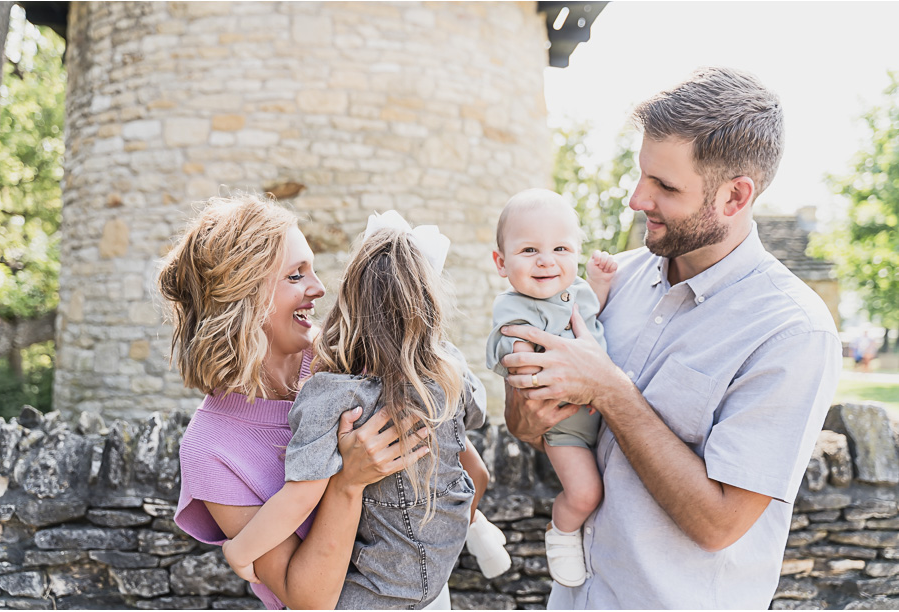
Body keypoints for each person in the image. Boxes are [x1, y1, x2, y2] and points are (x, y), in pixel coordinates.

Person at [500, 67, 842, 609]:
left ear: (735, 197)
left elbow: (719, 523)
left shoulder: (792, 331)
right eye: (642, 175)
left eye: (665, 185)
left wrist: (609, 389)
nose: (637, 199)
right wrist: (528, 401)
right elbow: (523, 426)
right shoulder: (617, 279)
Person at [160, 195, 442, 610]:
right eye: (295, 276)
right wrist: (347, 484)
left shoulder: (345, 356)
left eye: (311, 269)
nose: (320, 288)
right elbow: (309, 601)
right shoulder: (210, 449)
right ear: (242, 295)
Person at [219, 209, 497, 609]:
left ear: (349, 303)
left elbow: (302, 494)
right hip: (441, 561)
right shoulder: (449, 369)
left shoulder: (333, 395)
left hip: (379, 582)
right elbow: (475, 422)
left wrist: (240, 551)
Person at [485, 188, 616, 587]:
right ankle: (561, 533)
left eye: (560, 248)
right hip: (566, 426)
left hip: (602, 417)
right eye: (529, 251)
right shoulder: (514, 306)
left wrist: (599, 283)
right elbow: (510, 350)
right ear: (501, 263)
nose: (546, 260)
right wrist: (525, 355)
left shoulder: (576, 293)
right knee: (585, 493)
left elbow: (594, 316)